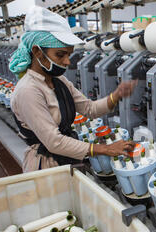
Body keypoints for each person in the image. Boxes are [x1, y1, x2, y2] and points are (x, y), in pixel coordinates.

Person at [9, 6, 137, 172]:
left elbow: (89, 109)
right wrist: (106, 149)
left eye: (69, 55)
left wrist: (117, 95)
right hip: (47, 166)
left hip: (67, 159)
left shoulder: (59, 81)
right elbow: (54, 142)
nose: (67, 62)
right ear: (37, 52)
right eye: (60, 55)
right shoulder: (28, 90)